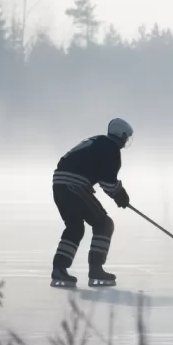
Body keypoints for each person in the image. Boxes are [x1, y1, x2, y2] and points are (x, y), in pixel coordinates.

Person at [49, 118, 133, 288]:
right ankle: (96, 269)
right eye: (126, 137)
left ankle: (59, 269)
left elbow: (101, 176)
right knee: (103, 223)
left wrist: (117, 194)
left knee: (75, 227)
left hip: (60, 184)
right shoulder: (111, 148)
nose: (126, 141)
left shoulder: (98, 141)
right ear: (121, 135)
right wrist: (120, 195)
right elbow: (108, 180)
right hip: (74, 185)